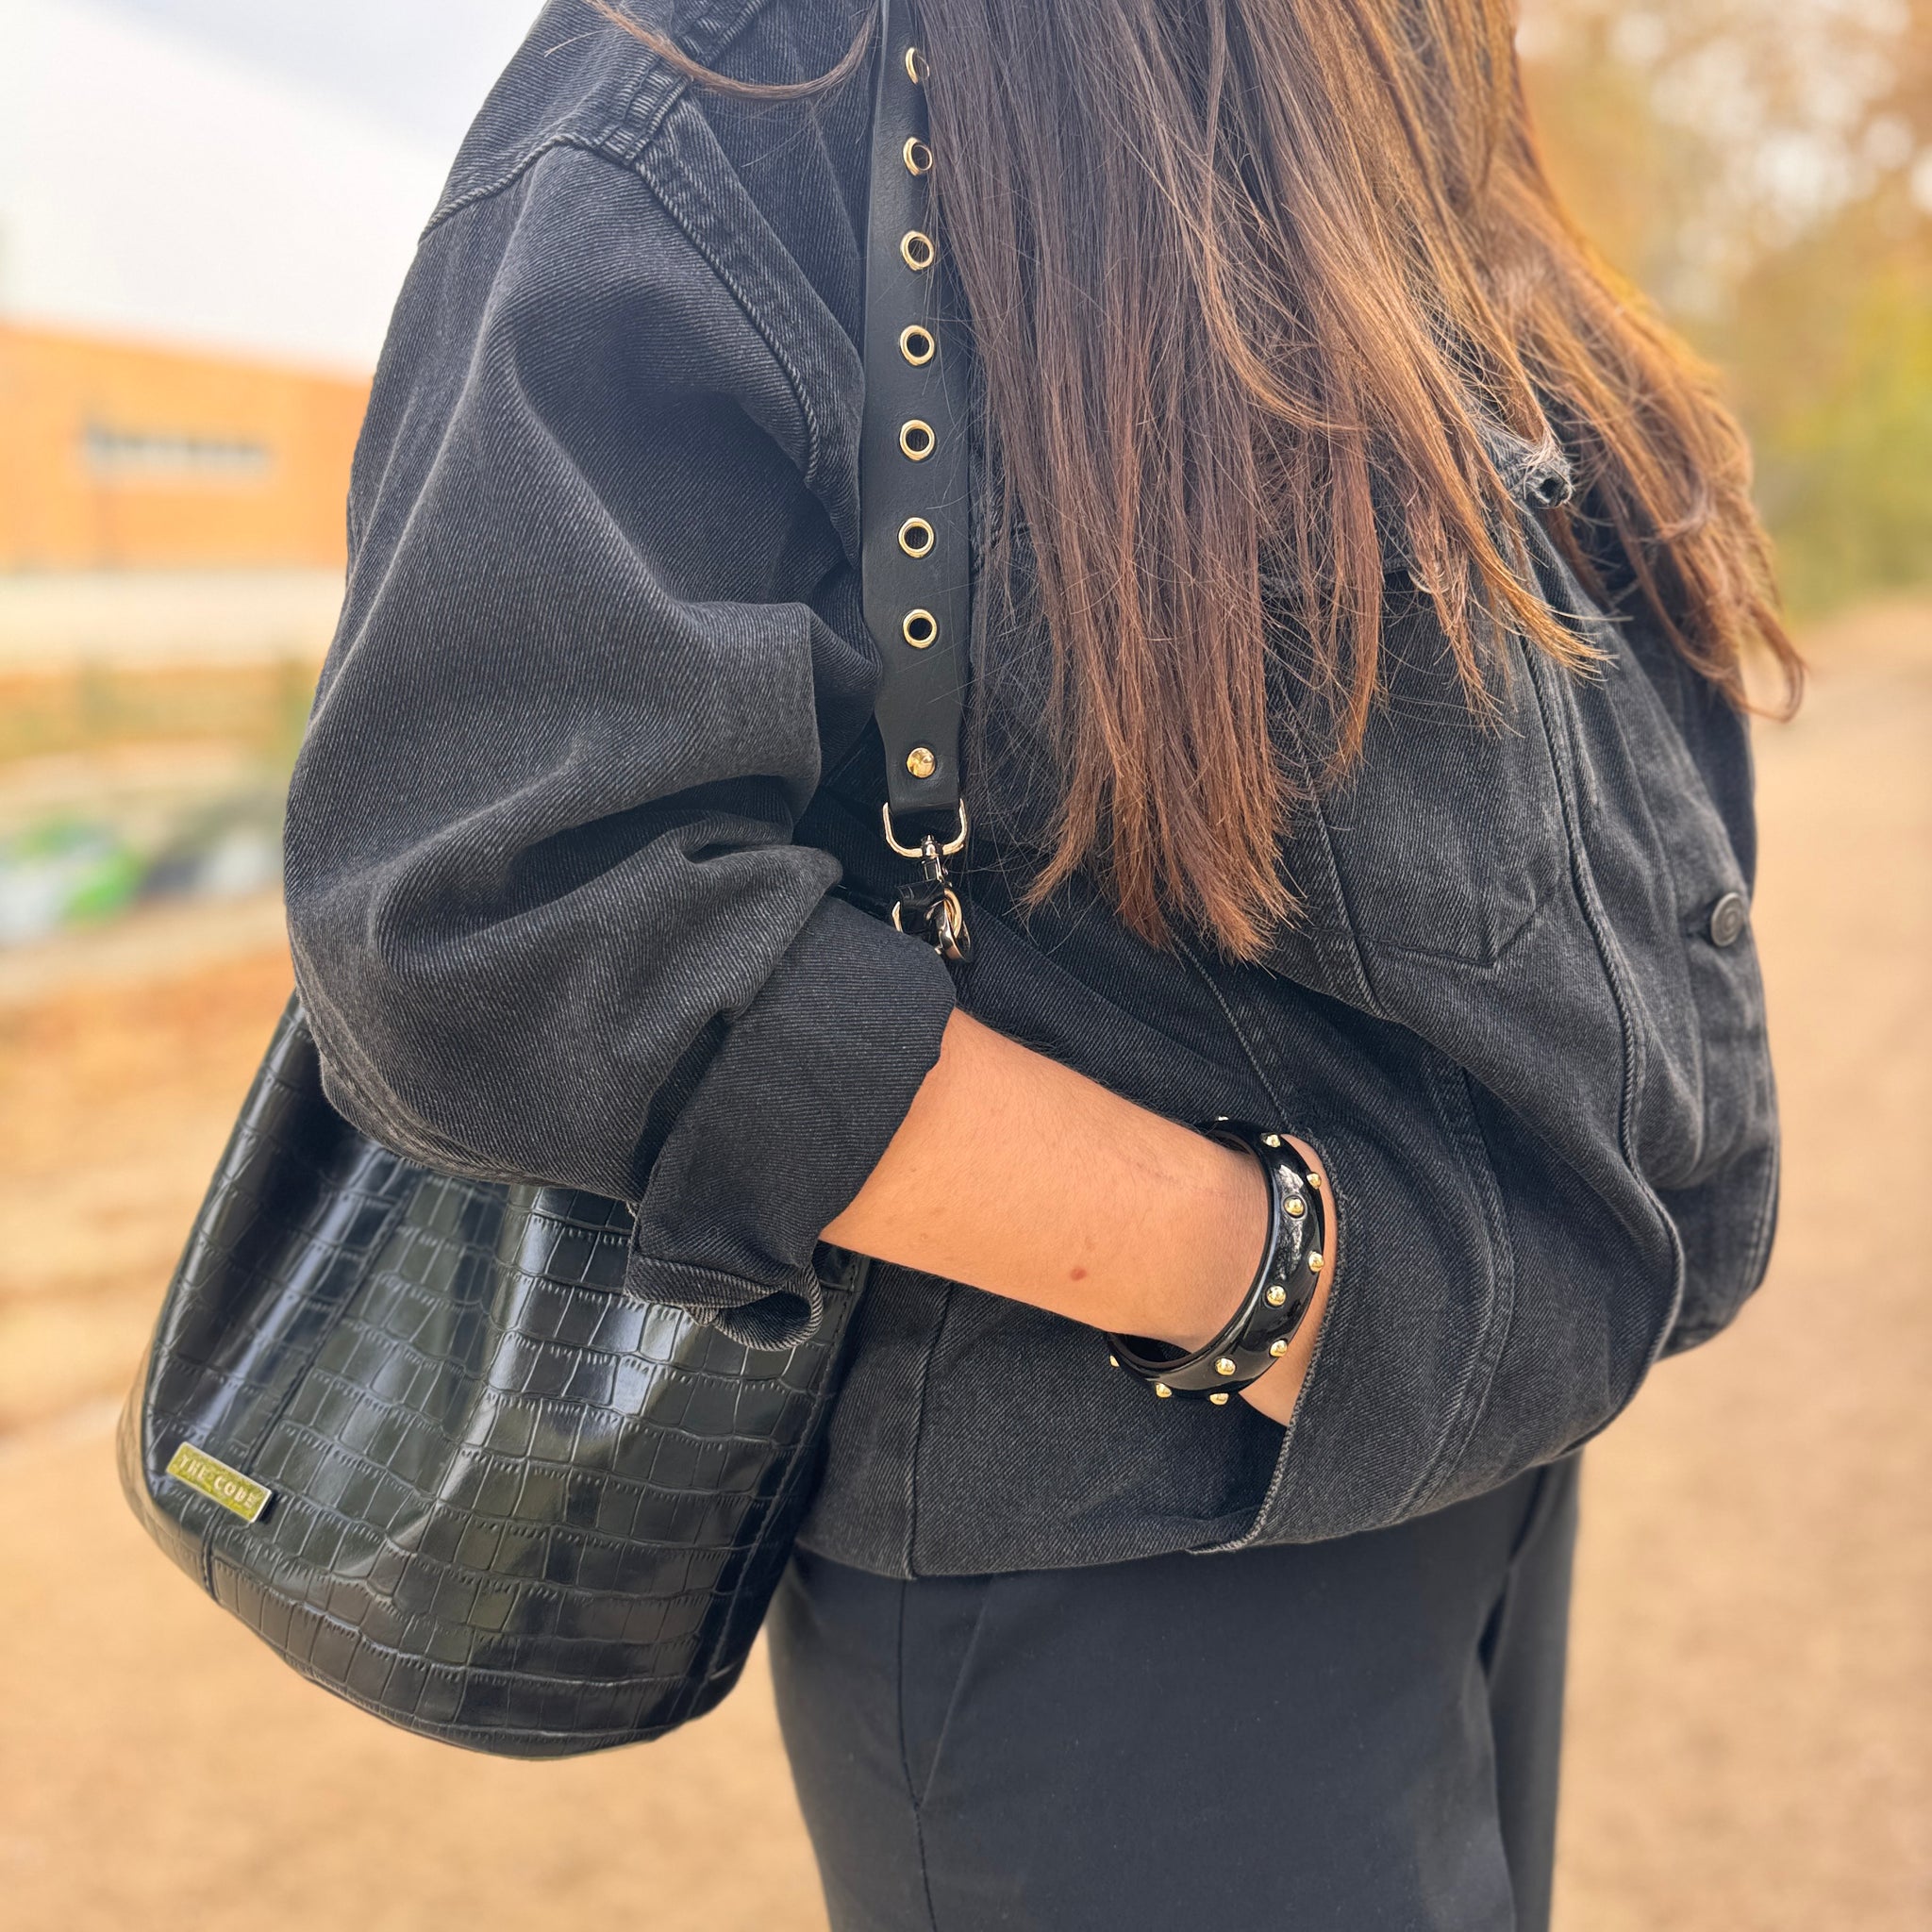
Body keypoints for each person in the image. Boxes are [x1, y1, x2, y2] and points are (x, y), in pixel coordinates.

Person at [280, 1, 1798, 1924]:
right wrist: (1267, 1281)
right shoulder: (770, 56)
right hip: (1131, 1522)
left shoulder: (1371, 68)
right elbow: (493, 900)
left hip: (1468, 1429)